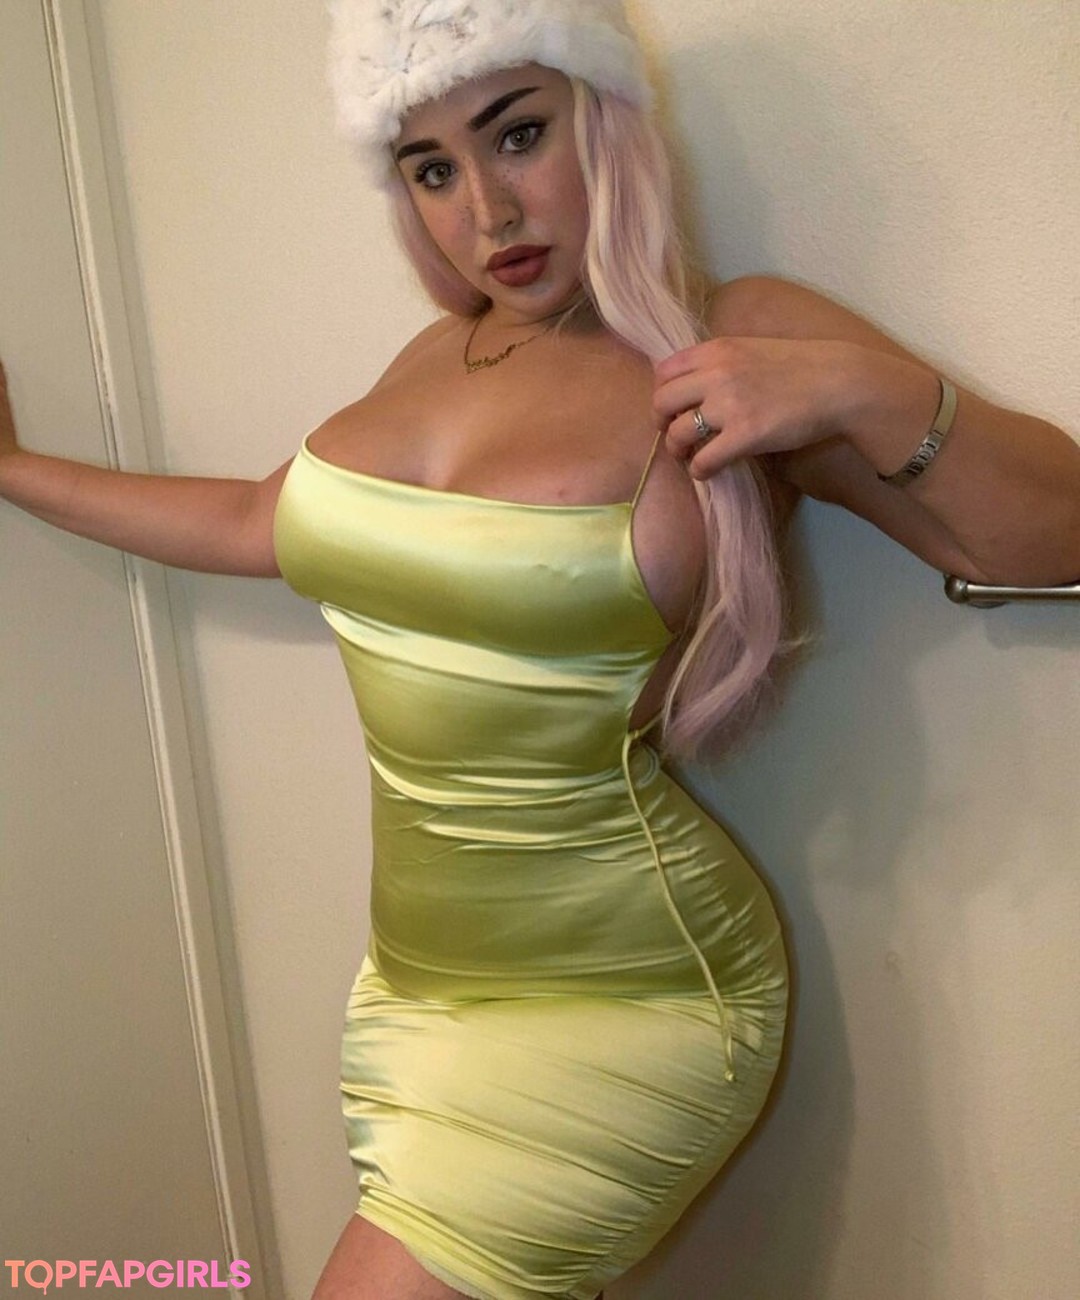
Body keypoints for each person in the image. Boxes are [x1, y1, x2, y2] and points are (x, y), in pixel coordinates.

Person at [2, 0, 1078, 1296]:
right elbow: (252, 519)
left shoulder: (724, 331)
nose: (488, 213)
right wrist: (15, 471)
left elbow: (1048, 540)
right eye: (432, 168)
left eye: (517, 134)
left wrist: (863, 388)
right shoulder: (437, 351)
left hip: (628, 996)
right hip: (420, 994)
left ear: (604, 116)